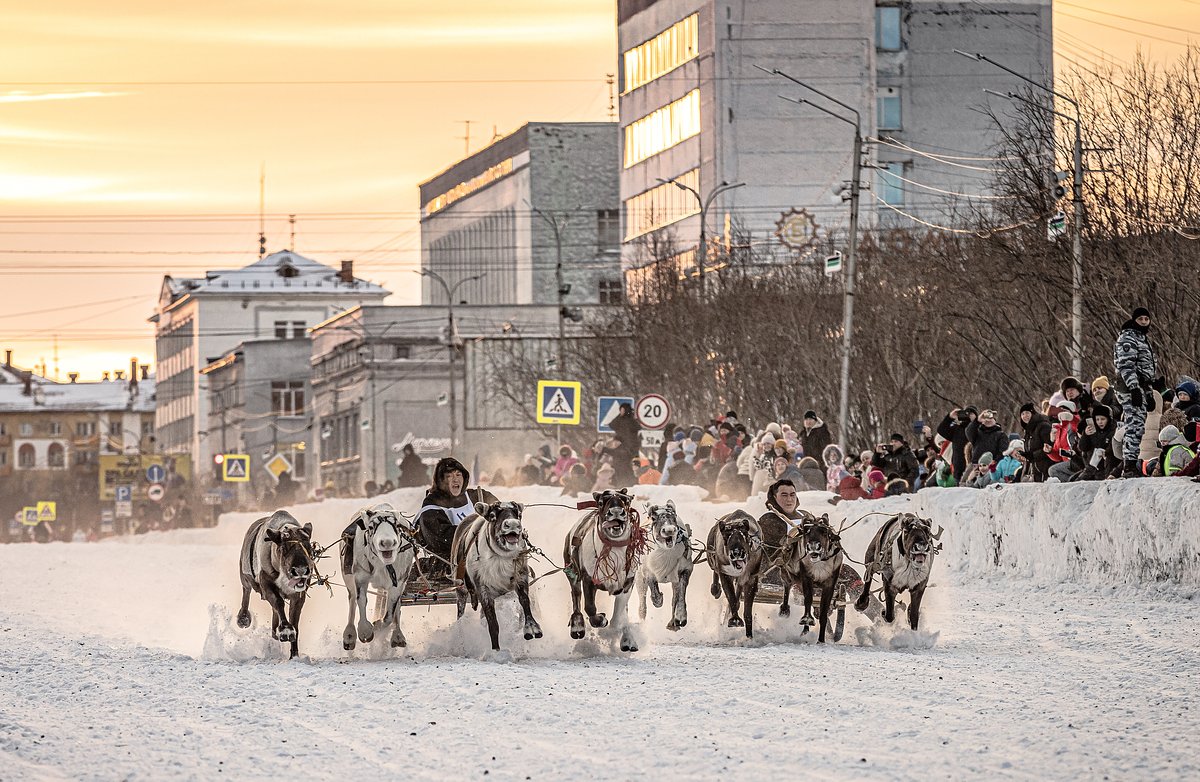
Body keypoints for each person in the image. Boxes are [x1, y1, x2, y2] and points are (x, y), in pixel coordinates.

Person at [415, 457, 498, 579]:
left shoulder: (478, 497)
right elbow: (439, 539)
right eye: (449, 476)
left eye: (458, 475)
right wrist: (477, 536)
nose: (455, 480)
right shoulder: (431, 505)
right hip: (449, 561)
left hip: (486, 554)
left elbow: (501, 517)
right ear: (440, 480)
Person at [1113, 306, 1157, 477]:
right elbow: (1126, 366)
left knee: (1138, 426)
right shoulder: (1128, 339)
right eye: (1141, 319)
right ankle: (1129, 466)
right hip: (1130, 388)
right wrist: (1134, 388)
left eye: (1147, 319)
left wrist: (1149, 392)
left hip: (1141, 386)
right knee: (1134, 426)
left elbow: (1145, 370)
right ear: (1134, 320)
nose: (1144, 322)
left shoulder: (1142, 338)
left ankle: (1130, 463)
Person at [936, 406, 977, 479]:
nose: (967, 416)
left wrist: (975, 421)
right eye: (966, 413)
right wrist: (950, 417)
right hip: (959, 467)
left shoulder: (979, 428)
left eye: (970, 413)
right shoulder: (957, 430)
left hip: (976, 467)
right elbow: (941, 430)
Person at [1019, 402, 1054, 482]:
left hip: (1046, 465)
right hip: (1036, 467)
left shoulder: (1043, 426)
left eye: (1027, 413)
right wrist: (1027, 455)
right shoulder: (1028, 430)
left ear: (1033, 413)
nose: (1025, 416)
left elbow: (1049, 446)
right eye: (1022, 414)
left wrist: (1033, 455)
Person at [609, 403, 641, 487]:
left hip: (626, 449)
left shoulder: (627, 421)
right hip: (627, 449)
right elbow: (612, 425)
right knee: (626, 470)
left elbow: (612, 425)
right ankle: (627, 485)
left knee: (624, 470)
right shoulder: (631, 420)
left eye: (622, 410)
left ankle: (624, 486)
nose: (621, 412)